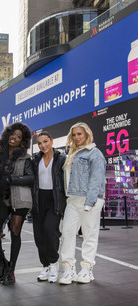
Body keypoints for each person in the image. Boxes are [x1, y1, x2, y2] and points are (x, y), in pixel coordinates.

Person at [0, 122, 34, 285]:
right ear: (7, 135)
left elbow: (31, 178)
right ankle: (2, 261)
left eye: (19, 137)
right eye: (13, 134)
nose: (15, 138)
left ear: (23, 141)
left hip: (19, 200)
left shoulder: (25, 158)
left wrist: (12, 179)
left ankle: (11, 270)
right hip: (0, 199)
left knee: (15, 233)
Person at [59, 122, 106, 285]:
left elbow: (97, 179)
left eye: (79, 134)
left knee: (89, 234)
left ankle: (86, 269)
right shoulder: (72, 153)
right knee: (67, 233)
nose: (76, 137)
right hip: (72, 199)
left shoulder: (94, 153)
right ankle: (68, 269)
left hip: (90, 199)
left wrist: (90, 202)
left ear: (87, 134)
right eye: (74, 135)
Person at [32, 131, 66, 283]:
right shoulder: (35, 159)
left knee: (49, 229)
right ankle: (45, 265)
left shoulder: (61, 158)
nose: (43, 145)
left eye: (45, 141)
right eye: (39, 143)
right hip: (38, 200)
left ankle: (53, 263)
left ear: (51, 141)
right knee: (39, 235)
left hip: (54, 199)